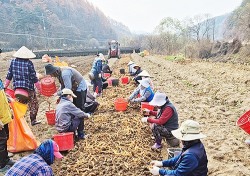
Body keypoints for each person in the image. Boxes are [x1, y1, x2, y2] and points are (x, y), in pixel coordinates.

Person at [4, 46, 41, 126]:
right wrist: (39, 88)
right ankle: (33, 120)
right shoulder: (29, 63)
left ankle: (20, 121)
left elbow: (9, 75)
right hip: (28, 88)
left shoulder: (13, 62)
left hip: (18, 88)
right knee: (34, 103)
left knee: (21, 103)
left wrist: (5, 86)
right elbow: (33, 77)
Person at [0, 82, 15, 174]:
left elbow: (2, 95)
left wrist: (9, 109)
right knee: (1, 142)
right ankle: (1, 165)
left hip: (4, 116)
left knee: (5, 138)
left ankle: (5, 159)